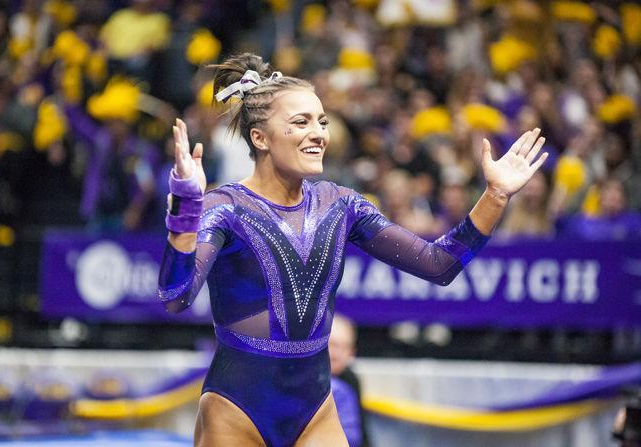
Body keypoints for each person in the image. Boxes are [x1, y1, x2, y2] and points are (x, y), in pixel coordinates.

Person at [157, 53, 547, 447]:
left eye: (322, 121)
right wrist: (185, 214)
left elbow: (439, 264)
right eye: (300, 122)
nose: (319, 133)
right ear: (260, 138)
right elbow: (176, 297)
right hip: (236, 408)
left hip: (314, 412)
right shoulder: (225, 207)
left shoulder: (341, 205)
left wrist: (495, 196)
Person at [329, 314, 368, 447]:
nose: (336, 354)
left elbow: (360, 434)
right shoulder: (298, 377)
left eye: (344, 347)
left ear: (352, 352)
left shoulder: (350, 380)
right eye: (332, 344)